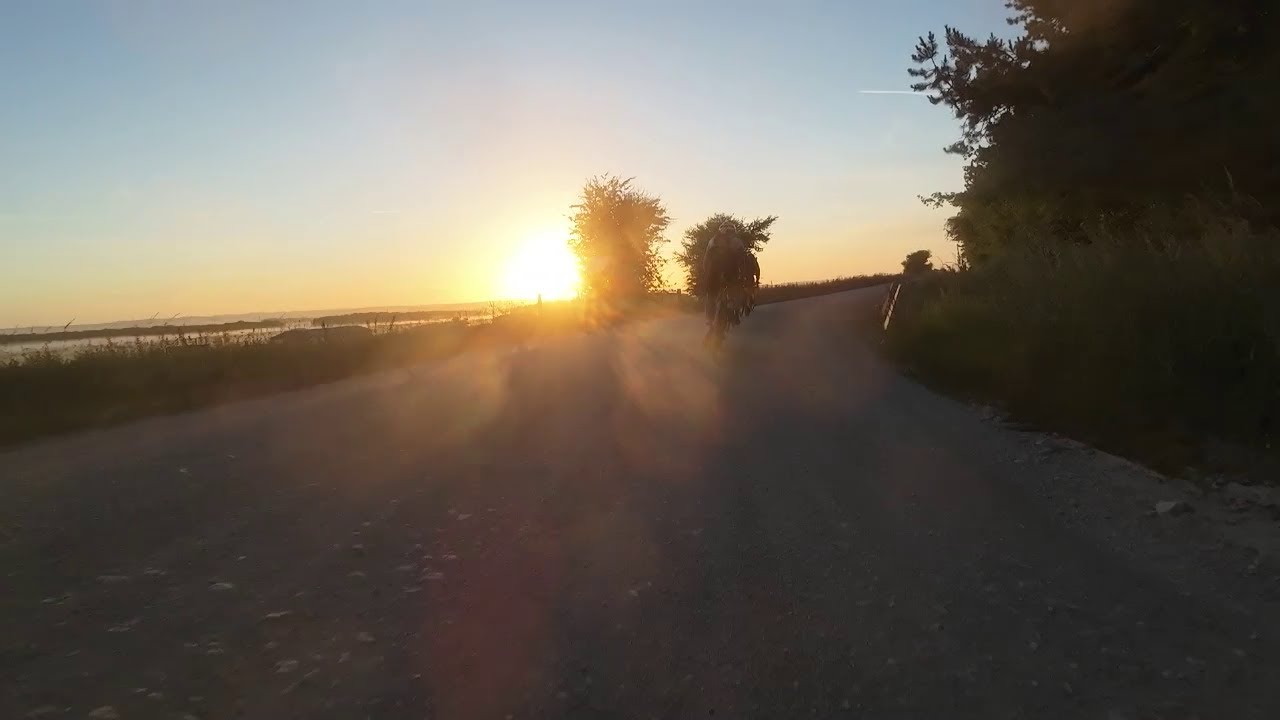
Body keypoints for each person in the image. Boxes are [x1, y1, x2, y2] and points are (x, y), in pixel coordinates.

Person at [701, 222, 752, 335]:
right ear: (733, 232)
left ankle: (709, 319)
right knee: (736, 292)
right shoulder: (737, 242)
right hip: (731, 273)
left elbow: (706, 260)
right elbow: (743, 261)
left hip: (713, 273)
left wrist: (706, 273)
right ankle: (733, 313)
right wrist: (744, 276)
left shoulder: (713, 241)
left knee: (711, 296)